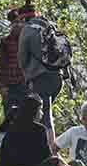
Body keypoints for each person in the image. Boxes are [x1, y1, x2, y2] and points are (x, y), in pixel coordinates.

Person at [17, 8, 64, 143]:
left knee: (43, 116)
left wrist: (27, 74)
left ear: (22, 19)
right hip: (57, 77)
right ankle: (44, 147)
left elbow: (22, 58)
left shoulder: (28, 29)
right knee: (45, 113)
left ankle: (49, 150)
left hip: (40, 77)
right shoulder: (50, 26)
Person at [0, 93, 52, 166]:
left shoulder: (12, 128)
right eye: (40, 110)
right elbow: (46, 156)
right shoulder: (40, 130)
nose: (41, 113)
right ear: (34, 111)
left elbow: (4, 154)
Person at [0, 4, 32, 117]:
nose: (17, 25)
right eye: (14, 23)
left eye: (20, 22)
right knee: (10, 119)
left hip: (26, 86)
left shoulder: (29, 40)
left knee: (28, 118)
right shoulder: (5, 42)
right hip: (10, 88)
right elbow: (0, 64)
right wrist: (2, 86)